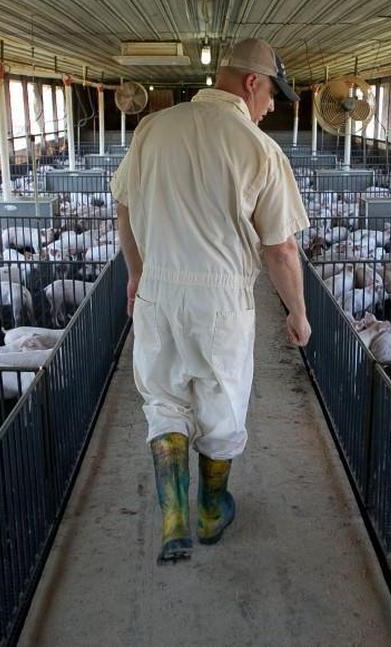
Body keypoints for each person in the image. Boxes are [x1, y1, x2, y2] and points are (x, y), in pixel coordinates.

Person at [109, 38, 311, 565]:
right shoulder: (258, 148)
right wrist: (298, 312)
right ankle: (209, 510)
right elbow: (282, 248)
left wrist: (136, 276)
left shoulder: (151, 128)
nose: (271, 106)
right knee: (220, 408)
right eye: (271, 94)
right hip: (221, 300)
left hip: (157, 291)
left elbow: (124, 211)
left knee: (164, 400)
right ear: (251, 83)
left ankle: (173, 517)